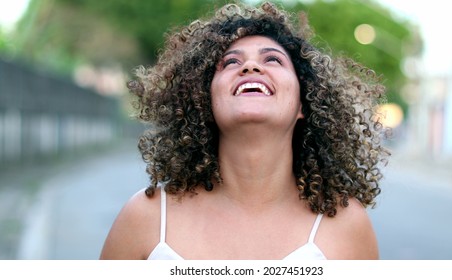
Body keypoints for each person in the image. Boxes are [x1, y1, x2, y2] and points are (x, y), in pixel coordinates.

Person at [100, 1, 390, 260]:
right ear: (205, 102)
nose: (250, 66)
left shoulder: (347, 224)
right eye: (231, 62)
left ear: (304, 103)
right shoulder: (145, 217)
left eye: (272, 60)